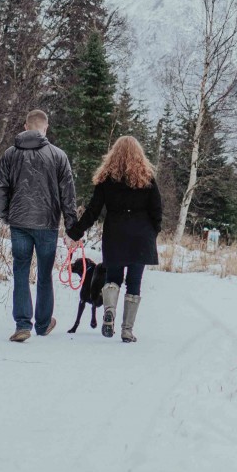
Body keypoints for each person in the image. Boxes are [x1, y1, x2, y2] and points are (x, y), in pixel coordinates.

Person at [66, 135, 162, 343]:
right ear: (140, 155)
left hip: (116, 234)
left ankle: (109, 313)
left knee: (113, 278)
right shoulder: (147, 179)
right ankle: (127, 330)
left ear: (113, 154)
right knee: (134, 283)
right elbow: (157, 211)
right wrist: (152, 233)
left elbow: (93, 211)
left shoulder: (106, 180)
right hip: (141, 236)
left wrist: (76, 232)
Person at [0, 109, 77, 342]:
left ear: (25, 126)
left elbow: (0, 188)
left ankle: (22, 324)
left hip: (19, 222)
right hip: (47, 224)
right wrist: (72, 227)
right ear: (46, 127)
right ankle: (42, 324)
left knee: (20, 271)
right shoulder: (58, 156)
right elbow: (68, 195)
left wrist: (5, 215)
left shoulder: (10, 154)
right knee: (44, 275)